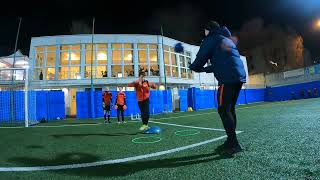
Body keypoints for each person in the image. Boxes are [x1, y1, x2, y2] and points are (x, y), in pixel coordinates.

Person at [189, 21, 247, 155]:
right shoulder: (225, 39)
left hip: (227, 79)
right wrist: (203, 70)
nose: (204, 33)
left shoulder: (210, 39)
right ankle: (231, 140)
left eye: (205, 30)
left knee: (223, 110)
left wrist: (194, 67)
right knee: (230, 109)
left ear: (209, 30)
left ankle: (233, 144)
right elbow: (221, 62)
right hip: (238, 77)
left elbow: (201, 58)